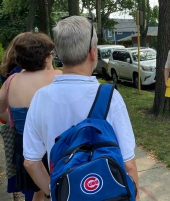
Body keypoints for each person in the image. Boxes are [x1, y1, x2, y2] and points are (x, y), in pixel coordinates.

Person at [22, 16, 139, 201]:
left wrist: (53, 192)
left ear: (58, 53)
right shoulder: (110, 97)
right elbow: (129, 165)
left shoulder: (40, 98)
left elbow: (30, 162)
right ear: (93, 53)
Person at [0, 32, 62, 201]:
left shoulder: (11, 80)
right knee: (61, 192)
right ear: (45, 56)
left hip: (25, 148)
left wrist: (16, 121)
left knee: (37, 194)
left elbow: (1, 110)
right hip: (54, 146)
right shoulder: (57, 76)